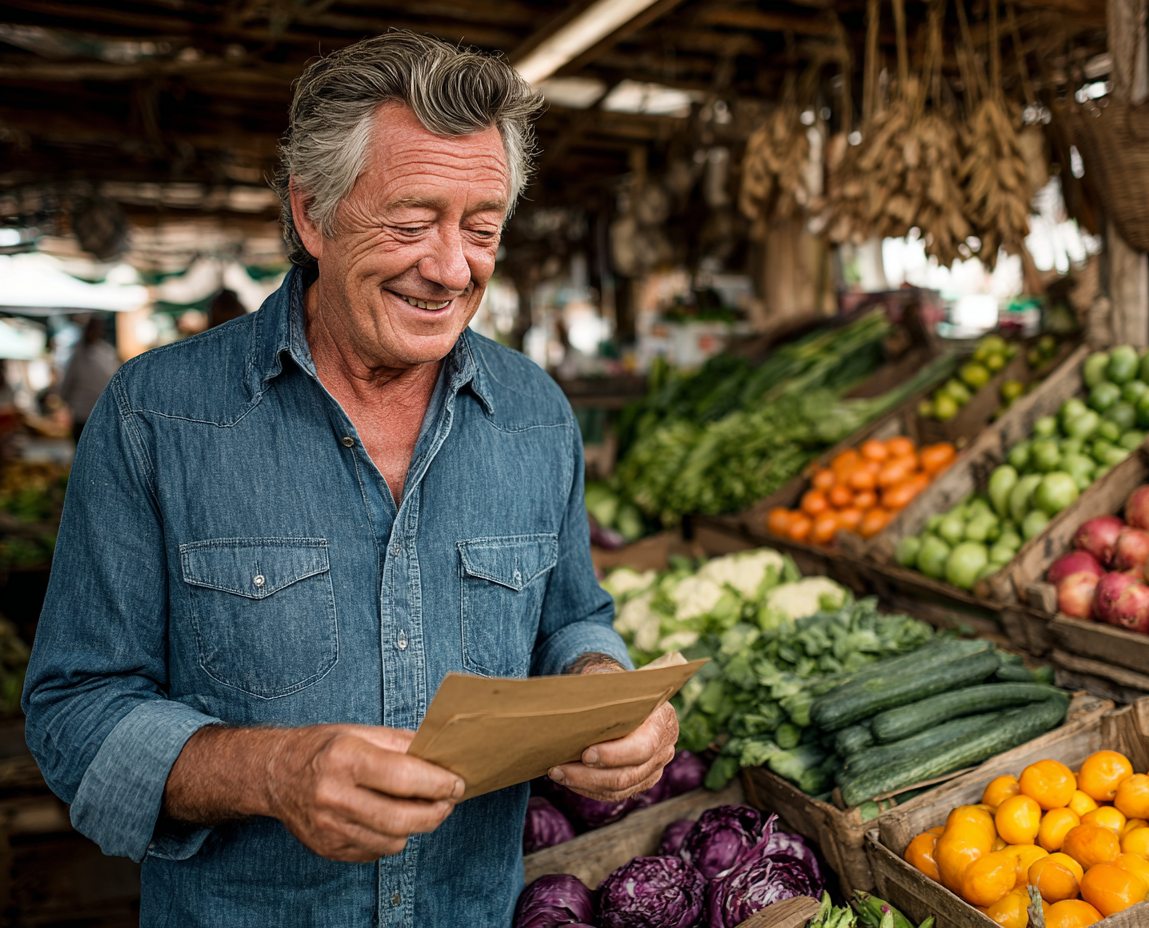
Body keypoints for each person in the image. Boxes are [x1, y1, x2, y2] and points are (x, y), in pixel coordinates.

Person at [23, 31, 676, 927]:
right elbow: (75, 714)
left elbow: (571, 620)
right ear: (312, 215)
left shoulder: (534, 415)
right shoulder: (157, 416)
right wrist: (273, 772)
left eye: (482, 229)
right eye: (409, 224)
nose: (451, 269)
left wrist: (604, 687)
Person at [57, 315, 119, 441]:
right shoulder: (77, 354)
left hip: (103, 414)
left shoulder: (107, 353)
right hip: (82, 413)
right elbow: (67, 382)